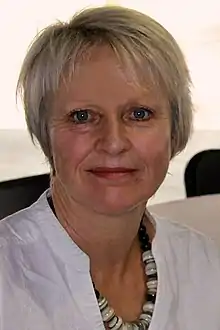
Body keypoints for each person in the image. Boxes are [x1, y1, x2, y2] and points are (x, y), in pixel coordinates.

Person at [0, 5, 220, 330]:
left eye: (140, 114)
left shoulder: (206, 264)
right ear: (44, 132)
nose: (114, 142)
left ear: (175, 129)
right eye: (82, 116)